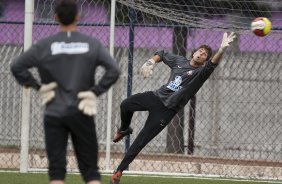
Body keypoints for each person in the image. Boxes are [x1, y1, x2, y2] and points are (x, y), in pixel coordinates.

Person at [10, 0, 120, 184]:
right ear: (77, 17)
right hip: (82, 110)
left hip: (54, 111)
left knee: (56, 171)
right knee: (91, 171)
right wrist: (94, 92)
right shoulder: (91, 44)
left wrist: (38, 86)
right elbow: (114, 70)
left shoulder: (44, 45)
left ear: (56, 18)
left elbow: (17, 66)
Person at [110, 32, 236, 184]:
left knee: (141, 140)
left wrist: (221, 50)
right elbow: (161, 54)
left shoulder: (200, 73)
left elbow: (212, 65)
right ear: (194, 52)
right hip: (155, 97)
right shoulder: (180, 61)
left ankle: (119, 171)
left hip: (166, 111)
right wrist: (151, 61)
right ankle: (124, 129)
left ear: (204, 61)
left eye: (205, 55)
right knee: (126, 104)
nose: (201, 54)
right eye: (200, 51)